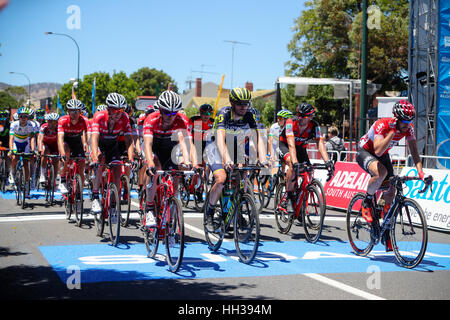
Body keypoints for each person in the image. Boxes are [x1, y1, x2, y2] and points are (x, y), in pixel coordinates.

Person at [357, 99, 426, 251]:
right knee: (381, 173)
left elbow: (414, 151)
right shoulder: (382, 124)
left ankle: (385, 230)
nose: (407, 125)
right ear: (396, 118)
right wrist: (393, 131)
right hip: (366, 151)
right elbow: (378, 150)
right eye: (404, 121)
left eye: (410, 121)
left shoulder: (408, 128)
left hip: (383, 155)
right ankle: (367, 202)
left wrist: (421, 172)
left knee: (392, 188)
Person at [204, 87, 267, 231]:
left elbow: (257, 139)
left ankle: (236, 213)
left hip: (235, 146)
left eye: (246, 103)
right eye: (240, 103)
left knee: (239, 180)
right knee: (221, 179)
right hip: (215, 145)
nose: (244, 107)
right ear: (232, 103)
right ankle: (210, 212)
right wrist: (226, 159)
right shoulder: (224, 113)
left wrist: (263, 159)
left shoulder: (249, 115)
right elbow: (220, 139)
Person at [143, 90, 199, 227]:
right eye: (167, 112)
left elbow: (188, 144)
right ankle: (149, 208)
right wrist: (150, 163)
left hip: (170, 149)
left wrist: (193, 164)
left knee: (175, 179)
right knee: (156, 169)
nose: (171, 116)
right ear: (161, 110)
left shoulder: (182, 120)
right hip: (155, 148)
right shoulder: (151, 119)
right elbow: (148, 145)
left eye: (174, 113)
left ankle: (170, 217)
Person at [278, 102, 334, 208]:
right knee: (292, 164)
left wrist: (327, 161)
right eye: (300, 115)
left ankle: (301, 199)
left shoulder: (315, 125)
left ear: (310, 117)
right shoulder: (290, 122)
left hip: (301, 148)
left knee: (309, 170)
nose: (301, 118)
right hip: (285, 145)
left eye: (305, 116)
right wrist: (295, 162)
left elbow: (320, 143)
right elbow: (291, 143)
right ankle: (289, 195)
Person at [90, 93, 134, 214]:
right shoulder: (99, 116)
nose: (118, 113)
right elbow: (94, 138)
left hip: (112, 145)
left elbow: (129, 140)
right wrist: (94, 158)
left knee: (118, 167)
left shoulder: (124, 118)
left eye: (121, 110)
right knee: (99, 161)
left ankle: (113, 204)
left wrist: (131, 159)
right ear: (108, 109)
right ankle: (95, 196)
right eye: (115, 110)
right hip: (99, 144)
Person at [57, 99, 89, 194]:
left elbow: (88, 138)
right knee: (66, 153)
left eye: (77, 111)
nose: (74, 113)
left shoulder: (85, 121)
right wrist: (62, 153)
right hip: (66, 142)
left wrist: (88, 151)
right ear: (68, 111)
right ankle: (62, 180)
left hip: (77, 142)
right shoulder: (62, 120)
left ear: (80, 111)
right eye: (71, 111)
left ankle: (79, 193)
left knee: (81, 167)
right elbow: (60, 138)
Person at [8, 107, 37, 197]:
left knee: (26, 163)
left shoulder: (30, 125)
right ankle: (11, 173)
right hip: (16, 143)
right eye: (21, 116)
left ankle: (27, 185)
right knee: (14, 158)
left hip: (25, 143)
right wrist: (11, 150)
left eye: (25, 116)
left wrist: (33, 150)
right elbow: (11, 138)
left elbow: (32, 138)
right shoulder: (14, 124)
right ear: (19, 116)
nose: (23, 118)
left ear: (28, 117)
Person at [37, 113, 60, 184]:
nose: (52, 124)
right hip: (46, 144)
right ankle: (42, 174)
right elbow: (40, 139)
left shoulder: (58, 128)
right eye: (50, 121)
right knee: (44, 152)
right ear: (47, 121)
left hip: (54, 145)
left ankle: (54, 179)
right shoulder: (44, 127)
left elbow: (60, 140)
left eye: (54, 122)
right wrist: (40, 150)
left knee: (55, 161)